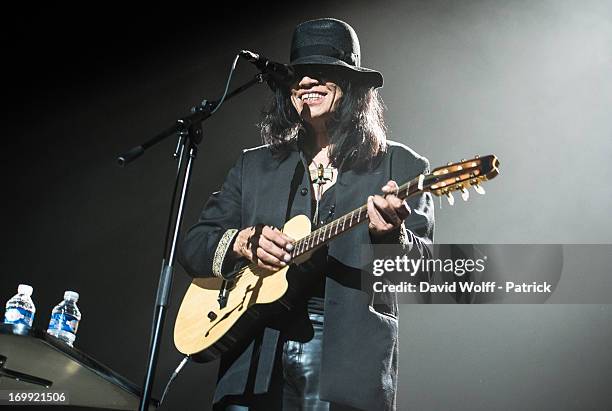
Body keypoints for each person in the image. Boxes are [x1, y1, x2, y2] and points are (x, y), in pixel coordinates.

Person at [179, 18, 434, 411]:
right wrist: (244, 242)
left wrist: (390, 237)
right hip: (253, 356)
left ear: (351, 86)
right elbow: (194, 246)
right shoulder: (255, 166)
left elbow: (424, 274)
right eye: (299, 74)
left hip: (345, 359)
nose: (307, 82)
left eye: (324, 72)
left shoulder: (398, 166)